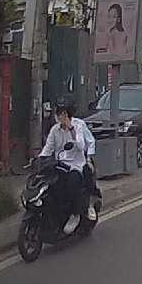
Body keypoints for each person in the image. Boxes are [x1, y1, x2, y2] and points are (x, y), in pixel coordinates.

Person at [38, 97, 96, 234]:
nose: (60, 117)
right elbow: (48, 148)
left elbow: (81, 145)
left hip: (76, 166)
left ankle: (76, 214)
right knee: (50, 186)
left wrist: (71, 129)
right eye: (59, 113)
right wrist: (40, 160)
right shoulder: (55, 129)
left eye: (63, 113)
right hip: (60, 165)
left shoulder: (78, 126)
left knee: (72, 184)